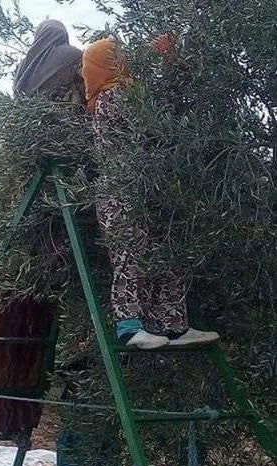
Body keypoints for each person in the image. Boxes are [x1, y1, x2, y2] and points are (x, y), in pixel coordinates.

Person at [0, 19, 82, 446]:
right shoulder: (70, 59)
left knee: (7, 311)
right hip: (62, 188)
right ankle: (17, 421)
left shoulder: (21, 75)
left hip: (24, 191)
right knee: (42, 312)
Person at [82, 37, 219, 350]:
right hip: (122, 191)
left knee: (169, 251)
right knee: (130, 255)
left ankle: (174, 325)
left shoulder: (120, 91)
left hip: (143, 189)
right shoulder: (113, 94)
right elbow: (153, 120)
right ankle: (130, 329)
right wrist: (168, 64)